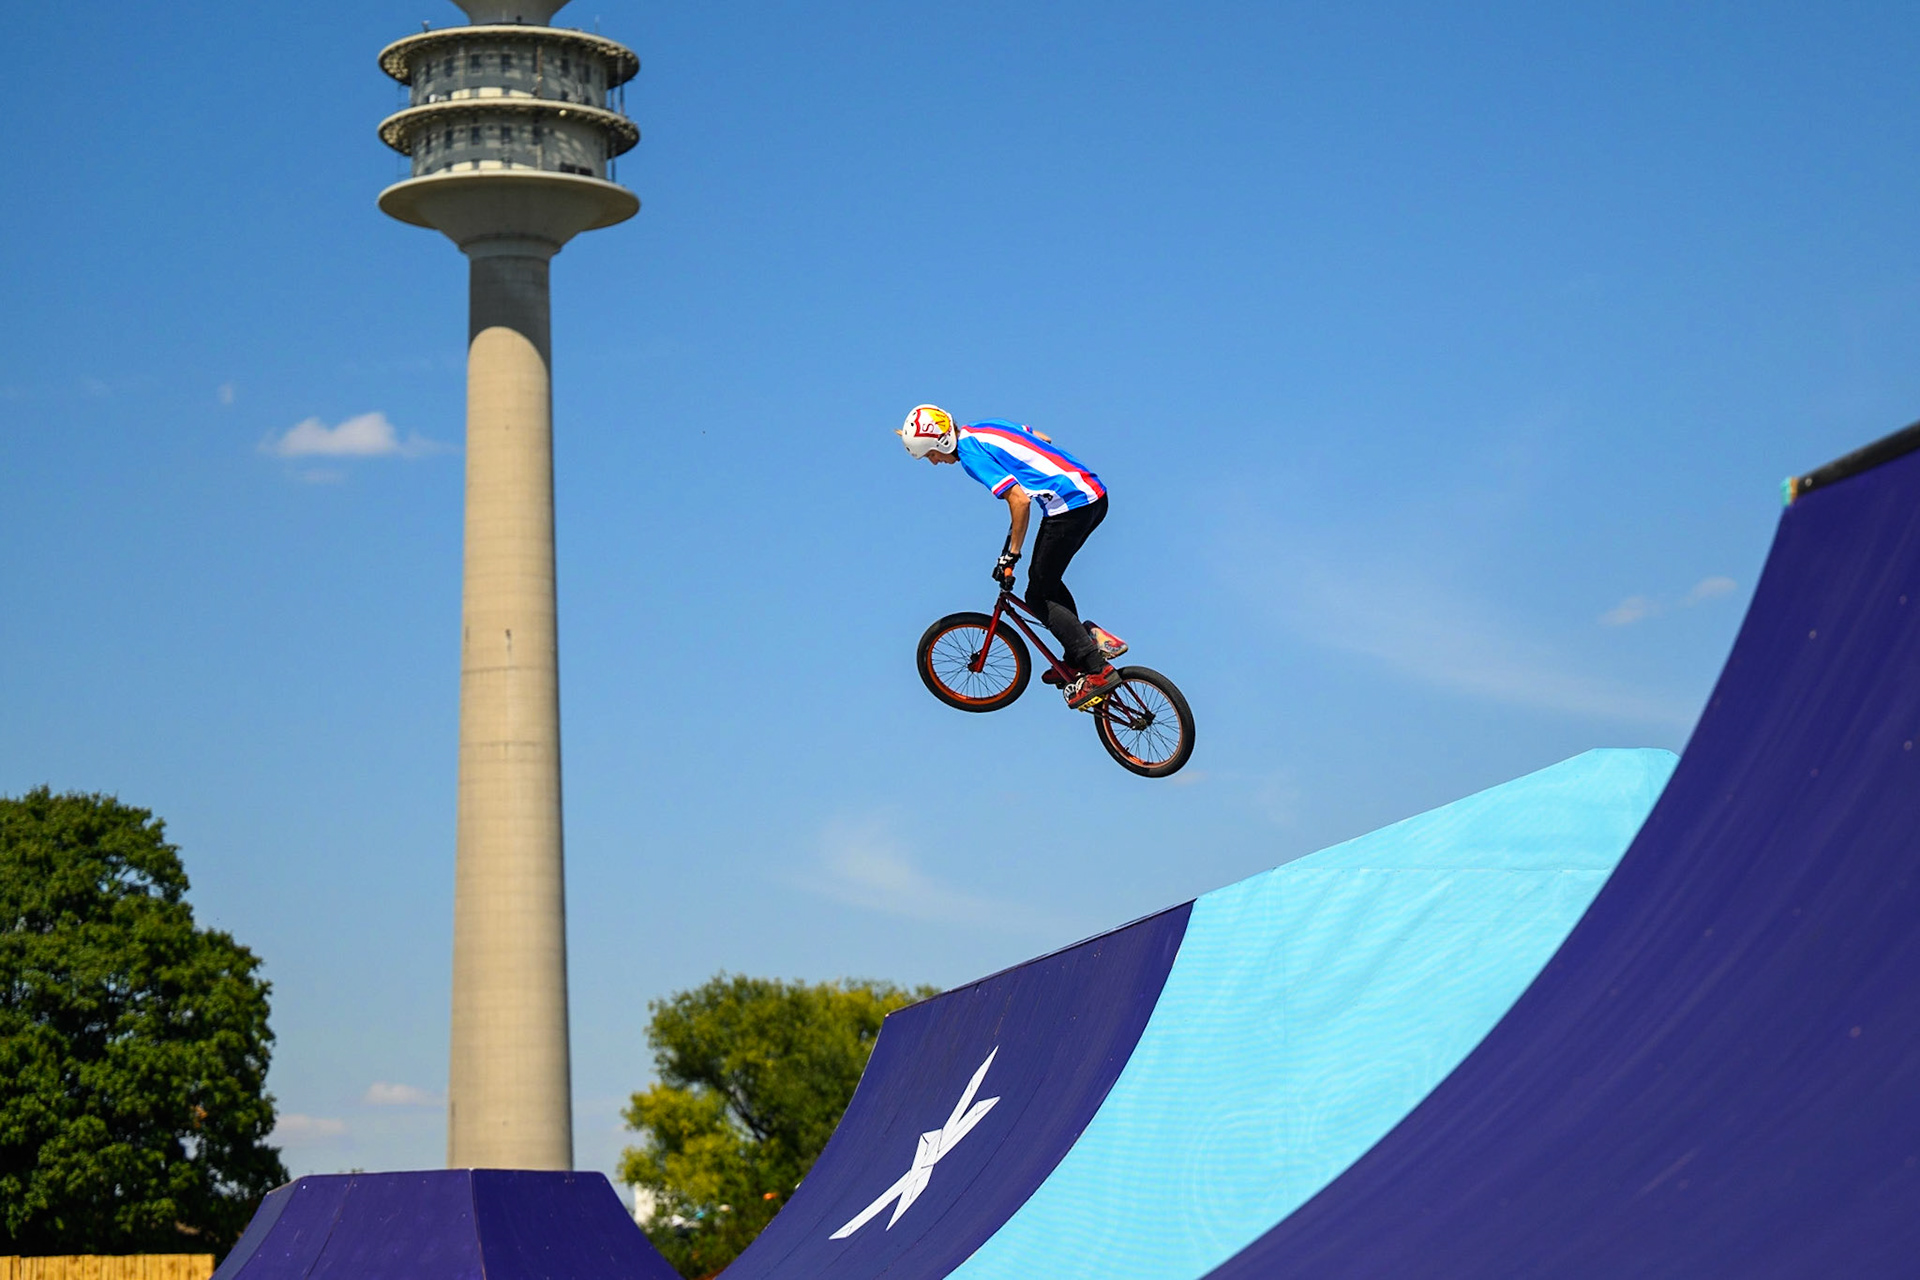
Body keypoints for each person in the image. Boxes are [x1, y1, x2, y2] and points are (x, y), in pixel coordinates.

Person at [897, 404, 1126, 709]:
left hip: (1070, 506)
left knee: (1037, 594)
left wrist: (1010, 556)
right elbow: (1040, 438)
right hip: (1094, 493)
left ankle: (1096, 668)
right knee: (1047, 580)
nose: (935, 463)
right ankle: (1080, 650)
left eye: (930, 455)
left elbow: (1019, 501)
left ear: (940, 444)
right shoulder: (985, 426)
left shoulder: (970, 457)